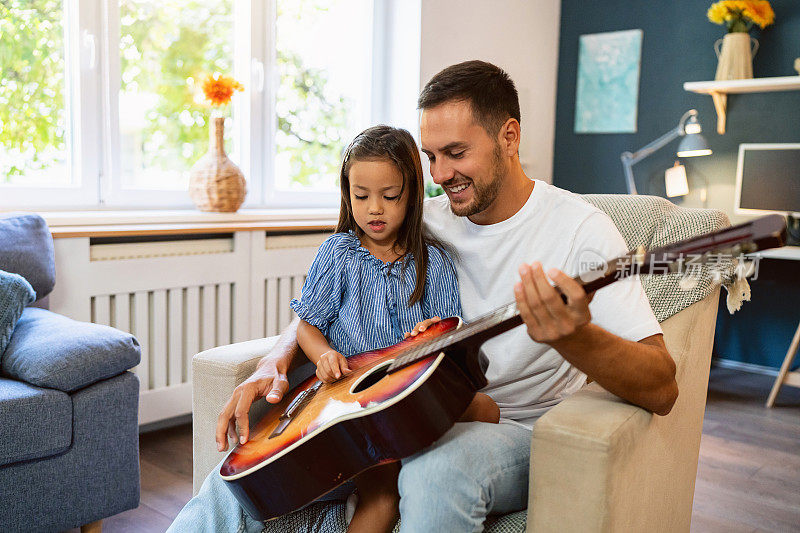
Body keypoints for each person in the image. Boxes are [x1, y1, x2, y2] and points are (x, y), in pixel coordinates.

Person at [172, 60, 677, 532]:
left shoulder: (581, 231)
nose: (438, 176)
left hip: (511, 426)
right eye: (431, 157)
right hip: (390, 407)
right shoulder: (420, 219)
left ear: (509, 136)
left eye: (456, 154)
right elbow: (326, 298)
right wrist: (275, 360)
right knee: (245, 469)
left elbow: (662, 387)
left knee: (433, 470)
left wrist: (576, 337)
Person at [288, 125, 499, 532]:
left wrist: (433, 333)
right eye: (361, 196)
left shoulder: (432, 261)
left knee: (487, 409)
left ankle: (421, 468)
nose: (374, 209)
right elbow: (307, 327)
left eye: (389, 196)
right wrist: (323, 354)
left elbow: (449, 338)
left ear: (412, 194)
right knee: (382, 497)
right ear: (347, 195)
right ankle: (385, 484)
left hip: (416, 395)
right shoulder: (339, 254)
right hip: (361, 402)